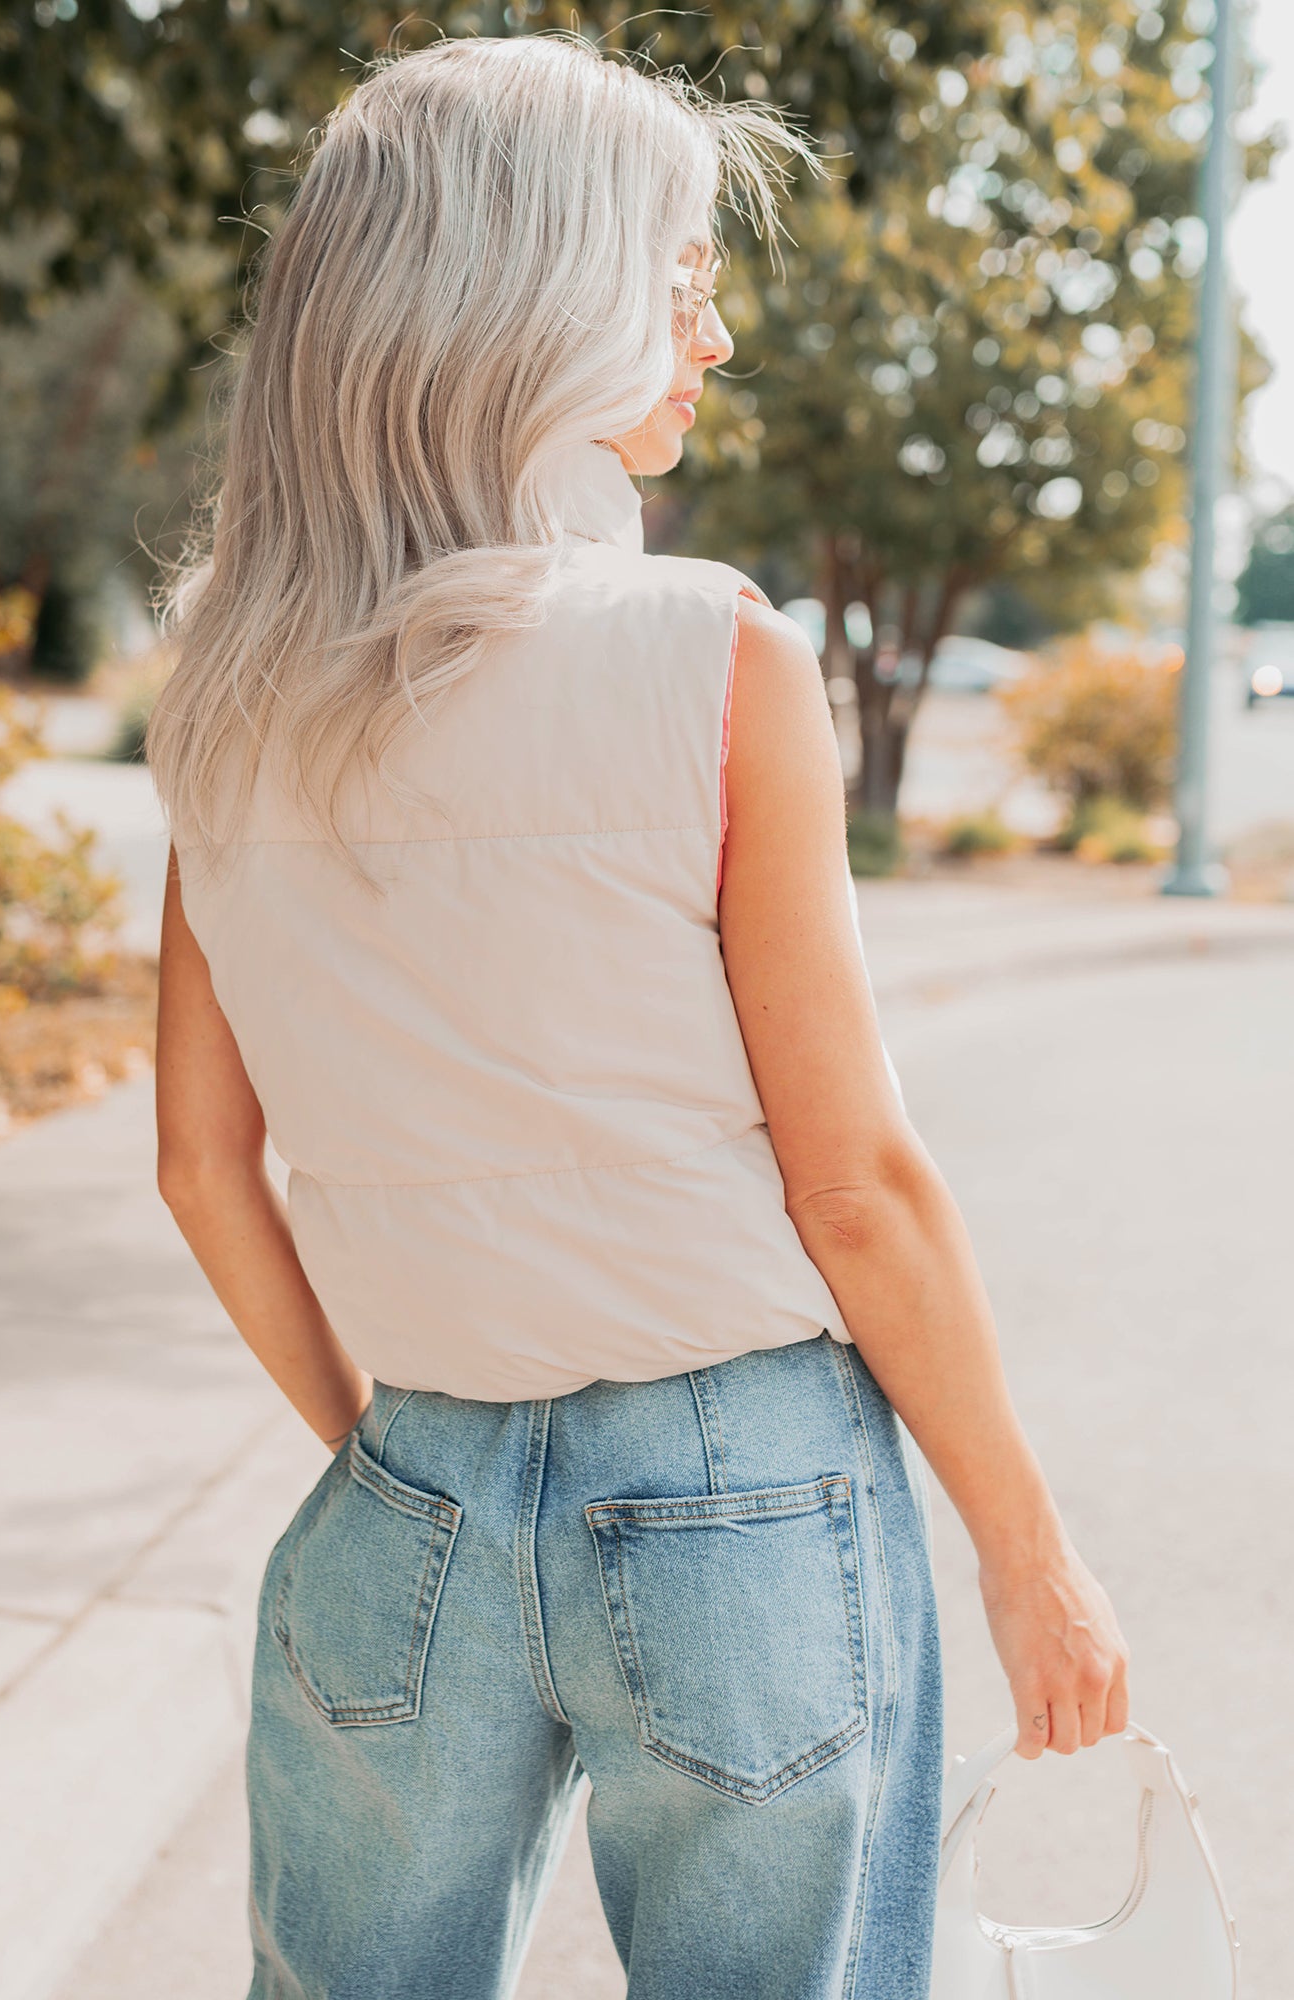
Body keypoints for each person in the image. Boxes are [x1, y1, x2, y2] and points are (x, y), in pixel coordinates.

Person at [147, 32, 1129, 2000]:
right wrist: (1030, 1553)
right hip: (744, 1482)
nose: (714, 338)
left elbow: (199, 1166)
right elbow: (856, 1189)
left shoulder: (223, 692)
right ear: (547, 302)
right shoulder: (713, 657)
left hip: (410, 1476)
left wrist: (396, 1451)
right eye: (683, 281)